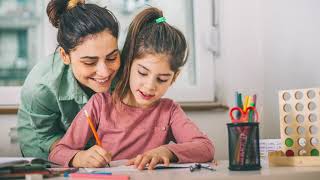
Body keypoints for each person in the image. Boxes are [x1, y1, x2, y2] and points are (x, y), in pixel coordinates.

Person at [49, 7, 214, 169]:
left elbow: (206, 147)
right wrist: (80, 157)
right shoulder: (100, 104)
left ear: (174, 78)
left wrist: (166, 151)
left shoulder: (169, 111)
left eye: (162, 79)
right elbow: (57, 152)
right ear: (128, 64)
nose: (150, 86)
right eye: (142, 73)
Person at [17, 0, 121, 159]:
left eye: (112, 58)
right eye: (89, 62)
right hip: (44, 148)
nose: (104, 72)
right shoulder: (41, 88)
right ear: (65, 56)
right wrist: (76, 157)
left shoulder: (128, 69)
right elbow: (46, 137)